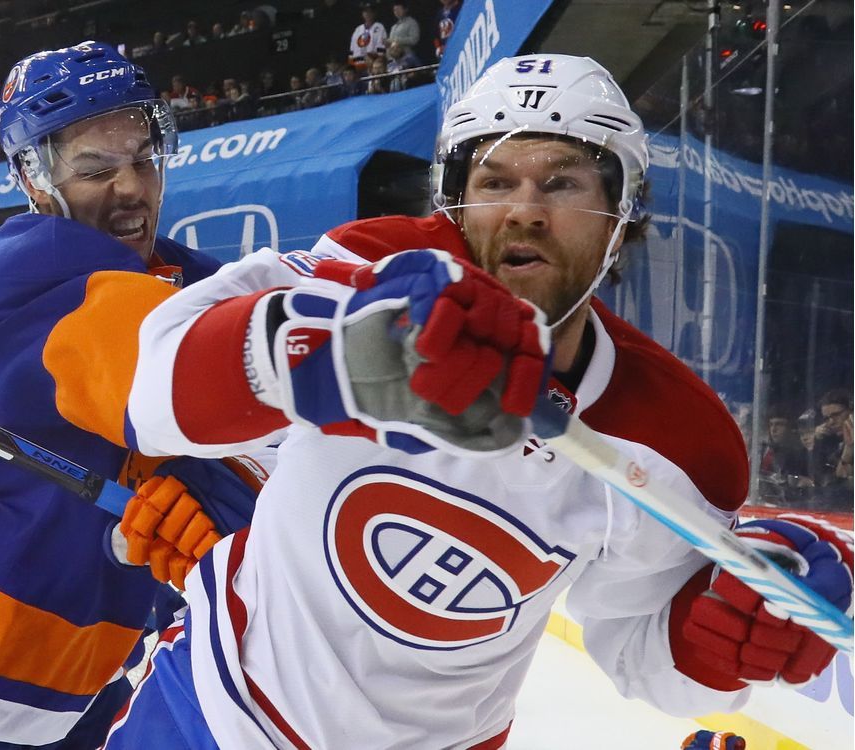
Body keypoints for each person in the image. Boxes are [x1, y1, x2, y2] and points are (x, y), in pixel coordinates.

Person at [58, 56, 852, 747]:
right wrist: (331, 347)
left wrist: (733, 632)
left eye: (564, 181)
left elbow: (642, 652)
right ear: (455, 204)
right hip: (214, 707)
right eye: (494, 181)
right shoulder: (374, 273)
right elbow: (154, 389)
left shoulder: (678, 437)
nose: (524, 208)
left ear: (623, 213)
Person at [0, 41, 269, 750]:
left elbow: (267, 374)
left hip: (82, 671)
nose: (132, 187)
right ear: (34, 178)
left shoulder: (181, 275)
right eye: (95, 169)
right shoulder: (37, 267)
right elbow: (182, 377)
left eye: (143, 157)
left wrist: (228, 490)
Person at [349, 2, 388, 70]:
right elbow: (352, 49)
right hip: (357, 65)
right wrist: (351, 66)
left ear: (374, 13)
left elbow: (381, 49)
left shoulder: (379, 27)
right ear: (362, 14)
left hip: (373, 65)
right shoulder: (358, 29)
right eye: (365, 12)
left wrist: (375, 60)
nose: (368, 14)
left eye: (370, 12)